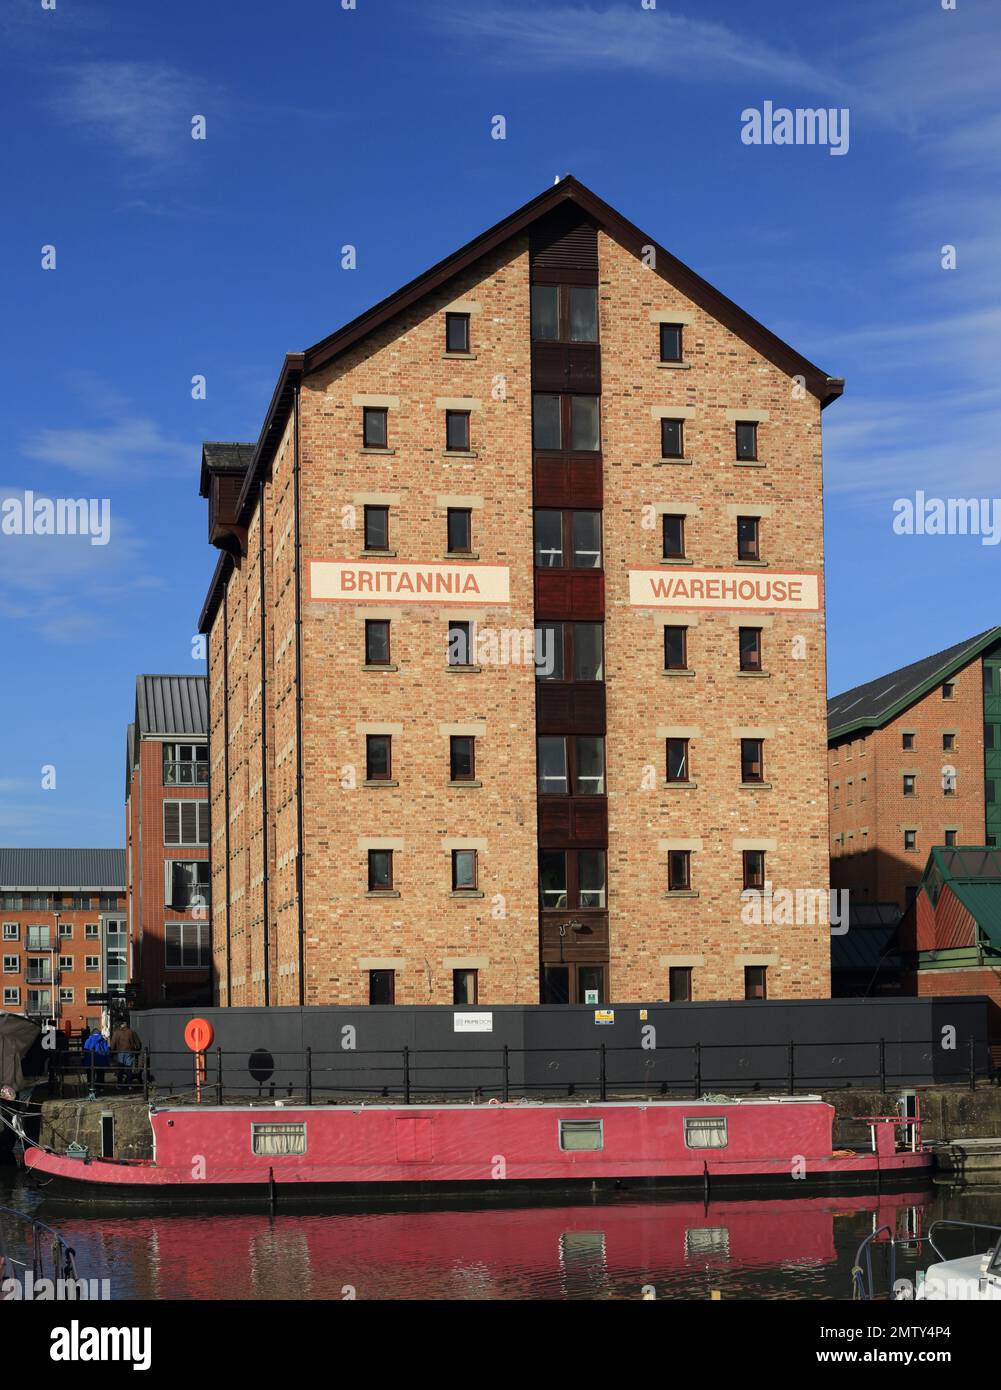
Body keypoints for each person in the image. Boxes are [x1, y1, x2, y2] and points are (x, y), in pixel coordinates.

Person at [109, 1018, 142, 1088]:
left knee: (120, 1069)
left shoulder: (116, 1033)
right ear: (126, 1025)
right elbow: (138, 1043)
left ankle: (120, 1084)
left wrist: (111, 1052)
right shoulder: (131, 1032)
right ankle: (129, 1085)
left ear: (121, 1025)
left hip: (120, 1052)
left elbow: (113, 1043)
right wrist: (137, 1051)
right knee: (129, 1069)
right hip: (129, 1052)